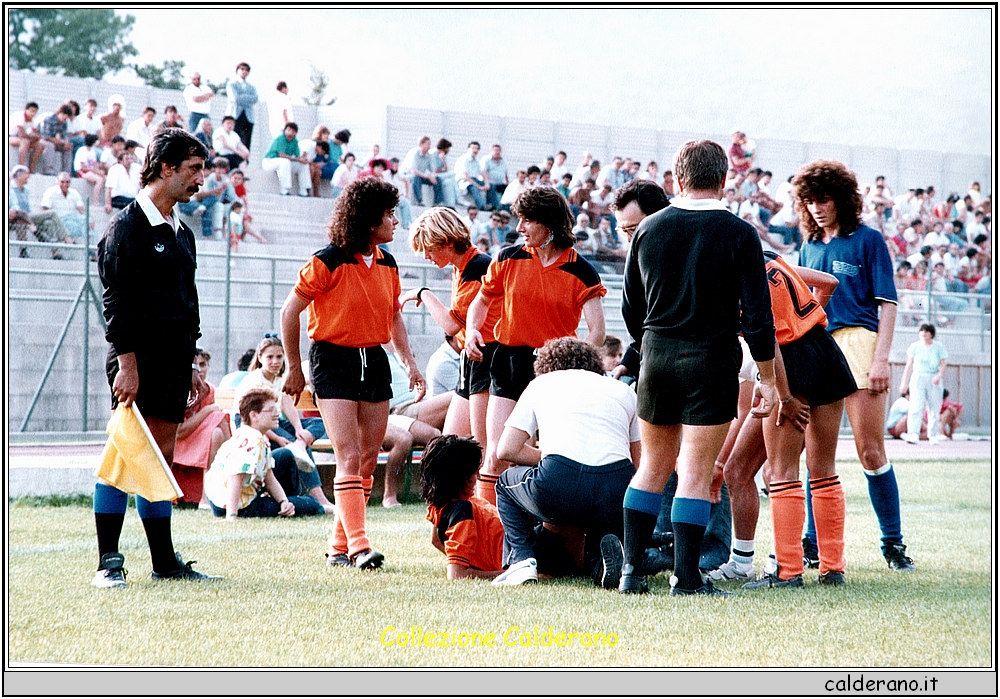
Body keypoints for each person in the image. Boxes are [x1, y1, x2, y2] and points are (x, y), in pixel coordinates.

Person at [617, 139, 777, 596]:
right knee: (694, 471)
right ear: (724, 179)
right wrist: (766, 377)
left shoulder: (648, 229)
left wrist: (650, 345)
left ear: (677, 179)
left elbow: (632, 309)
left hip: (657, 356)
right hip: (711, 359)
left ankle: (631, 573)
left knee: (651, 467)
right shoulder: (741, 233)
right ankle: (686, 578)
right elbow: (759, 319)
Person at [93, 127, 221, 587]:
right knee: (123, 458)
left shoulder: (181, 230)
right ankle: (108, 562)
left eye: (201, 170)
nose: (199, 179)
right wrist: (127, 365)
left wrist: (189, 364)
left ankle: (164, 563)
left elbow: (186, 300)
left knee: (158, 459)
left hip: (172, 362)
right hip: (137, 363)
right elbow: (116, 304)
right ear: (165, 168)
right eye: (192, 169)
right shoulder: (126, 227)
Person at [280, 177, 426, 570]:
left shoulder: (388, 262)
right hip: (333, 359)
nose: (396, 221)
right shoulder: (327, 260)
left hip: (373, 360)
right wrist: (294, 368)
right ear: (367, 219)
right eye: (389, 215)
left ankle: (337, 547)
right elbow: (289, 311)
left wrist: (409, 362)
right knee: (347, 454)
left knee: (365, 460)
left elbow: (394, 317)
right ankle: (361, 547)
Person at [796, 160, 915, 573]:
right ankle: (812, 543)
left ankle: (893, 544)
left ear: (842, 199)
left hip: (860, 343)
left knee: (870, 450)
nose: (816, 208)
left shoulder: (868, 241)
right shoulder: (808, 247)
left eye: (823, 199)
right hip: (817, 347)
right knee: (815, 455)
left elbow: (887, 304)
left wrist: (882, 357)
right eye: (809, 201)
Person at [465, 186, 607, 505]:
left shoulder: (581, 270)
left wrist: (572, 365)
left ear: (549, 224)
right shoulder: (508, 257)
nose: (518, 228)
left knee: (557, 455)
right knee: (497, 453)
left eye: (527, 220)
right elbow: (481, 302)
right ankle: (491, 535)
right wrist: (473, 330)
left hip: (555, 370)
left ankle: (541, 528)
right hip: (508, 360)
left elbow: (597, 331)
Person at [724, 253, 855, 590]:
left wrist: (784, 397)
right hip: (826, 350)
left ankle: (788, 571)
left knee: (781, 472)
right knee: (824, 469)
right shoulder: (770, 258)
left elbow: (768, 339)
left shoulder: (733, 275)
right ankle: (832, 568)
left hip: (788, 362)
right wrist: (805, 322)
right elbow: (830, 282)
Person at [493, 337, 641, 587]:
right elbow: (639, 462)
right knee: (601, 533)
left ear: (546, 365)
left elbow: (506, 449)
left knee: (506, 484)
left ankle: (521, 561)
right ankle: (601, 565)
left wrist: (549, 455)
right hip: (616, 484)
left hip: (560, 481)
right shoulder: (623, 390)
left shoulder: (542, 384)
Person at [401, 207, 504, 454]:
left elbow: (452, 324)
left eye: (428, 249)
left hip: (489, 358)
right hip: (471, 359)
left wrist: (423, 293)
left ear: (446, 243)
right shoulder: (462, 266)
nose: (426, 256)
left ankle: (487, 494)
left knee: (483, 448)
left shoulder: (478, 267)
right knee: (450, 448)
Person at [233, 335, 335, 513]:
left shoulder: (280, 378)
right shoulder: (255, 380)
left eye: (279, 357)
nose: (275, 362)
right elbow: (255, 423)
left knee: (319, 423)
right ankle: (320, 498)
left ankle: (300, 445)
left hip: (273, 421)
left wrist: (299, 431)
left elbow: (287, 405)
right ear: (260, 358)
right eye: (270, 357)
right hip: (251, 424)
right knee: (298, 450)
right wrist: (279, 438)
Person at [205, 388, 325, 519]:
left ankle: (291, 503)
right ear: (254, 415)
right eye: (271, 410)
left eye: (276, 409)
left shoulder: (255, 437)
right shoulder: (252, 440)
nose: (276, 414)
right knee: (310, 503)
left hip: (218, 501)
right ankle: (321, 507)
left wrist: (283, 501)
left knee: (286, 457)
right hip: (235, 505)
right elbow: (235, 476)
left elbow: (269, 478)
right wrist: (232, 516)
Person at [421, 435, 504, 580]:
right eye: (474, 472)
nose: (478, 477)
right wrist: (510, 574)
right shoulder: (461, 510)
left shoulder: (449, 504)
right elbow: (457, 575)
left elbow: (435, 540)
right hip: (525, 553)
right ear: (460, 477)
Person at [172, 349, 232, 506]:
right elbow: (179, 432)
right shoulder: (177, 390)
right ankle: (221, 488)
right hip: (176, 445)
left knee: (217, 432)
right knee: (216, 416)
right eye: (195, 365)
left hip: (201, 442)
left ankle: (211, 494)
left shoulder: (208, 389)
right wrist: (207, 410)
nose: (199, 369)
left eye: (203, 364)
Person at [898, 323, 948, 445]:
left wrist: (939, 375)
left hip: (933, 377)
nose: (924, 334)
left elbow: (943, 364)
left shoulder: (938, 347)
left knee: (934, 407)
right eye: (922, 331)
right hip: (918, 377)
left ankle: (933, 435)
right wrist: (903, 383)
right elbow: (909, 365)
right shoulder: (914, 347)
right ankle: (913, 433)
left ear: (931, 334)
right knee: (916, 406)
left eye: (926, 332)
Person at [8, 165, 70, 259]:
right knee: (52, 213)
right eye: (26, 174)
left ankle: (55, 252)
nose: (29, 176)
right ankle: (66, 238)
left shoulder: (25, 191)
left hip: (25, 217)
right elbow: (15, 207)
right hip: (17, 216)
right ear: (19, 175)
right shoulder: (11, 189)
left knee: (48, 223)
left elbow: (21, 207)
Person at [40, 171, 88, 244]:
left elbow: (82, 210)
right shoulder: (51, 192)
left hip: (73, 219)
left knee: (90, 225)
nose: (65, 184)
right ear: (57, 182)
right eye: (62, 182)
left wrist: (89, 219)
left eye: (67, 182)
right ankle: (70, 241)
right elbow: (44, 210)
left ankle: (91, 251)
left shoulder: (74, 192)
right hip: (59, 220)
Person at [262, 122, 309, 197]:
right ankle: (284, 190)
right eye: (289, 130)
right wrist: (297, 159)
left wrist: (303, 158)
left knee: (302, 165)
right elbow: (282, 155)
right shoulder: (280, 138)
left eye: (293, 131)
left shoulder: (295, 141)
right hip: (270, 161)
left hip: (284, 162)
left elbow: (298, 156)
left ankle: (303, 191)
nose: (290, 132)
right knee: (285, 162)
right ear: (285, 130)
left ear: (295, 133)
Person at [225, 61, 259, 150]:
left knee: (246, 141)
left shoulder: (251, 87)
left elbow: (255, 99)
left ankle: (244, 161)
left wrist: (242, 97)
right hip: (235, 115)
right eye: (242, 69)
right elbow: (235, 98)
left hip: (248, 116)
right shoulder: (232, 84)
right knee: (233, 139)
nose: (244, 71)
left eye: (246, 70)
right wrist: (247, 99)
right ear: (237, 70)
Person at [9, 101, 45, 173]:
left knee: (40, 145)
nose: (33, 114)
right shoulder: (20, 116)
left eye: (35, 112)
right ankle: (21, 167)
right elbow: (21, 134)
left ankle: (32, 168)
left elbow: (37, 135)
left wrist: (34, 137)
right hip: (10, 136)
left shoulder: (33, 121)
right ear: (26, 110)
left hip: (21, 138)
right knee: (25, 142)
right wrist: (32, 137)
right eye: (31, 111)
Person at [73, 134, 106, 206]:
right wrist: (96, 172)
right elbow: (83, 167)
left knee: (104, 178)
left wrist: (99, 172)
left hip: (90, 171)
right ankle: (95, 201)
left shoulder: (92, 151)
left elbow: (94, 165)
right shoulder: (82, 150)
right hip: (81, 171)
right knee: (99, 180)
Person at [104, 149, 141, 213]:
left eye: (130, 159)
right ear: (120, 161)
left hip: (132, 198)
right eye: (127, 159)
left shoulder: (136, 168)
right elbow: (108, 188)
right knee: (136, 205)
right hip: (118, 198)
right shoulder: (115, 169)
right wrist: (108, 204)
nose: (129, 161)